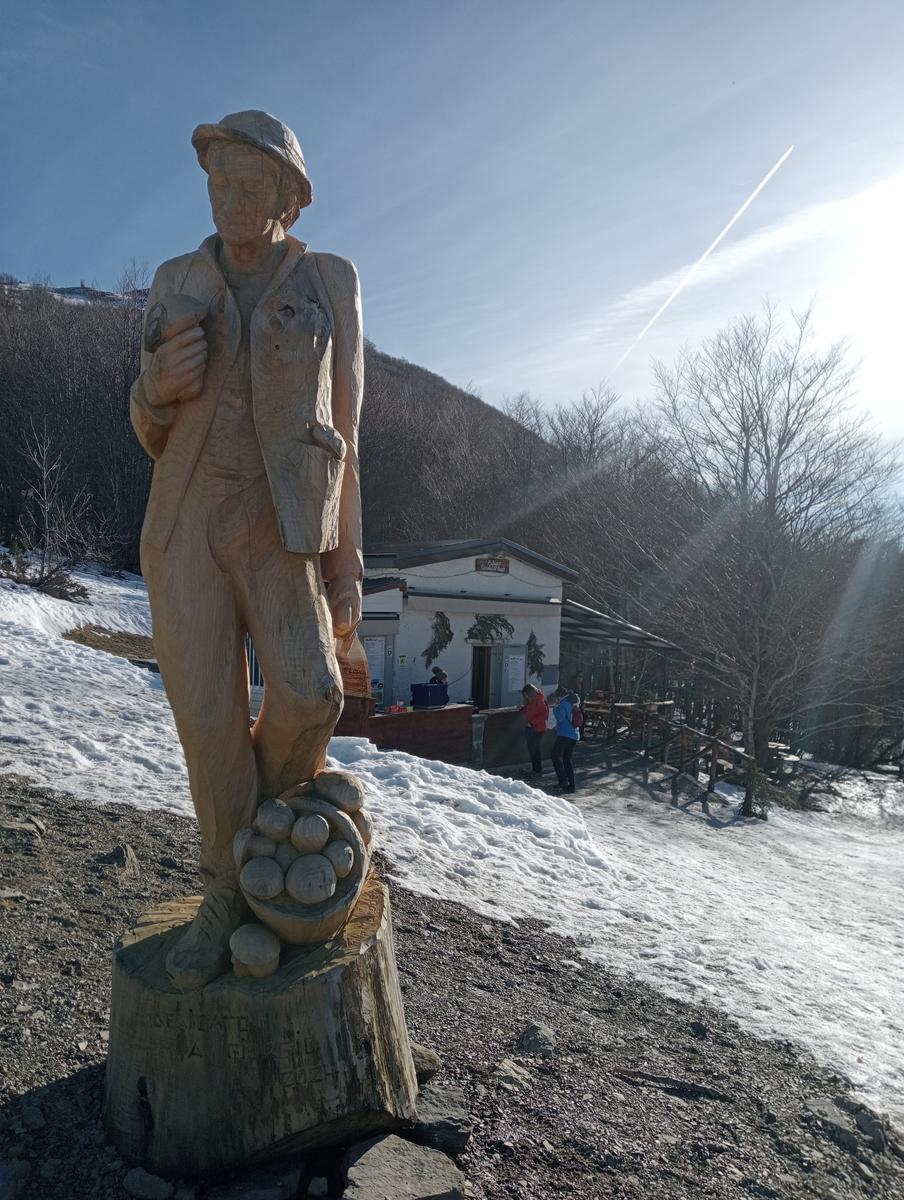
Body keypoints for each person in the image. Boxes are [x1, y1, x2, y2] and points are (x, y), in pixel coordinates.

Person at [130, 110, 364, 991]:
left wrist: (346, 563)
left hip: (282, 523)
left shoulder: (329, 281)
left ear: (289, 200)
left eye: (252, 184)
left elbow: (347, 431)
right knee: (208, 723)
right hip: (185, 518)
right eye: (220, 181)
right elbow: (149, 425)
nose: (232, 198)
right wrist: (155, 390)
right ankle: (230, 892)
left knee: (312, 692)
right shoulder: (173, 279)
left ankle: (265, 826)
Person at [549, 686, 580, 793]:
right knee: (567, 760)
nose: (556, 700)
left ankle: (563, 780)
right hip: (574, 735)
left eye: (557, 697)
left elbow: (560, 718)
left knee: (555, 756)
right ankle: (572, 785)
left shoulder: (563, 703)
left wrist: (554, 709)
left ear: (560, 696)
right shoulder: (573, 702)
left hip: (564, 734)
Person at [519, 684, 548, 778]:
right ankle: (535, 770)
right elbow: (529, 710)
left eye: (526, 694)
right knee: (532, 749)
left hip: (538, 729)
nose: (525, 697)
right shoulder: (530, 701)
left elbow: (544, 714)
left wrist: (532, 722)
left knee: (535, 750)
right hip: (531, 728)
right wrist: (523, 709)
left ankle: (538, 771)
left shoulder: (539, 700)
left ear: (530, 692)